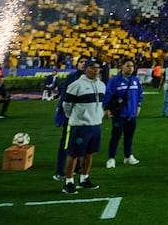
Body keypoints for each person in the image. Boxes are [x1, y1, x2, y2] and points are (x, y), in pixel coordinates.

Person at [61, 57, 106, 194]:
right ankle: (68, 182)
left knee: (88, 154)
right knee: (74, 154)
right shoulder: (76, 85)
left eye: (97, 68)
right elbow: (66, 105)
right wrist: (74, 117)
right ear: (85, 69)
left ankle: (84, 179)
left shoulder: (101, 85)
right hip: (80, 126)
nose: (95, 70)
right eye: (92, 67)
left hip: (95, 125)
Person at [53, 55, 88, 181]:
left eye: (85, 62)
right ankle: (60, 170)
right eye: (81, 62)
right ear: (77, 64)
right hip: (71, 117)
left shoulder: (90, 78)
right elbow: (64, 98)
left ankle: (77, 166)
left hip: (84, 118)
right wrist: (63, 115)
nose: (83, 64)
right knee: (66, 144)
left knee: (80, 142)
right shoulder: (72, 78)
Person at [103, 58, 143, 168]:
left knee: (129, 136)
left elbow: (140, 94)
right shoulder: (114, 80)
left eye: (132, 66)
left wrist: (138, 105)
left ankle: (128, 156)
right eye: (128, 66)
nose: (130, 68)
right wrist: (106, 108)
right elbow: (108, 94)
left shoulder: (135, 80)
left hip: (131, 114)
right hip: (119, 114)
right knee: (116, 136)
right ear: (122, 67)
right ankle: (111, 158)